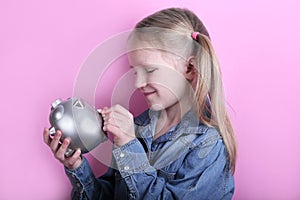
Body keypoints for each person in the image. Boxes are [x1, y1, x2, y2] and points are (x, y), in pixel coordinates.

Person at [43, 7, 237, 200]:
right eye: (135, 72)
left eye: (150, 70)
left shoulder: (208, 146)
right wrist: (76, 166)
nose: (138, 84)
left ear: (189, 68)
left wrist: (129, 145)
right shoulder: (139, 126)